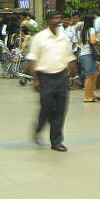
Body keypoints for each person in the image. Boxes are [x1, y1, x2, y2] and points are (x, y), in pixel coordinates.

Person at [28, 10, 76, 152]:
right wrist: (35, 79)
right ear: (48, 21)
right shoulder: (40, 38)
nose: (57, 20)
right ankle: (38, 127)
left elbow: (69, 56)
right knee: (47, 108)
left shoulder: (64, 38)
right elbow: (32, 59)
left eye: (59, 17)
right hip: (45, 77)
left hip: (61, 77)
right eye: (54, 18)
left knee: (61, 110)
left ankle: (56, 141)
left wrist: (74, 71)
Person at [77, 15, 100, 103]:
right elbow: (93, 41)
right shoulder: (91, 30)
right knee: (90, 76)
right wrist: (97, 38)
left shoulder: (83, 31)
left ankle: (91, 94)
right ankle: (87, 96)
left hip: (84, 54)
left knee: (93, 75)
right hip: (88, 54)